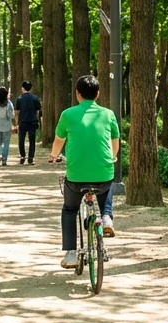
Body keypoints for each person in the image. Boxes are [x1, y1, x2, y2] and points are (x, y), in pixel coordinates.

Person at [49, 75, 122, 267]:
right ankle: (106, 218)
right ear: (98, 94)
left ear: (77, 94)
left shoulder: (68, 114)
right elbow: (115, 142)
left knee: (69, 210)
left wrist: (53, 156)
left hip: (76, 177)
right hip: (103, 173)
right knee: (106, 184)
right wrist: (113, 157)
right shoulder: (108, 114)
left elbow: (58, 141)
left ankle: (71, 254)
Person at [16, 80, 42, 165]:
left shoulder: (20, 99)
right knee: (32, 141)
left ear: (23, 88)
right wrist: (37, 120)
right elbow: (38, 111)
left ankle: (23, 156)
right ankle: (31, 158)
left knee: (21, 140)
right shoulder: (35, 98)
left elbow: (17, 112)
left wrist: (17, 123)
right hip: (32, 122)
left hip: (22, 122)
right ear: (30, 88)